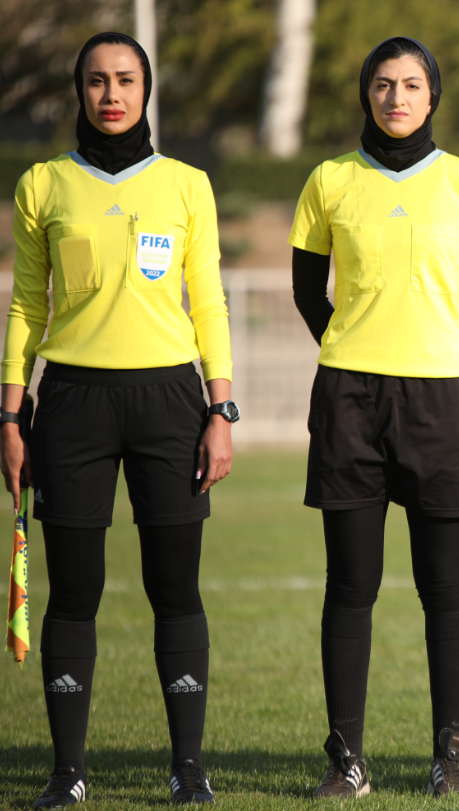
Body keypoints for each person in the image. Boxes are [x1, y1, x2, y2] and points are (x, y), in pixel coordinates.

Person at [2, 32, 237, 809]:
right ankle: (66, 771)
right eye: (97, 80)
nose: (112, 94)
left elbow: (209, 303)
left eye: (126, 80)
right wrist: (9, 413)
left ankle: (188, 766)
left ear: (146, 89)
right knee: (74, 592)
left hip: (170, 403)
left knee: (176, 588)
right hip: (72, 403)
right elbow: (26, 305)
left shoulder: (186, 185)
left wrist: (220, 408)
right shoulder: (42, 184)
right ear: (79, 90)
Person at [288, 36, 459, 798]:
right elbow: (308, 290)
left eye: (412, 84)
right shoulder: (330, 180)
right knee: (351, 584)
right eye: (383, 84)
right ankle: (346, 759)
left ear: (433, 95)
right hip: (348, 398)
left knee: (445, 585)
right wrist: (356, 348)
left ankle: (449, 756)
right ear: (366, 94)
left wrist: (429, 350)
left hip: (441, 400)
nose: (397, 97)